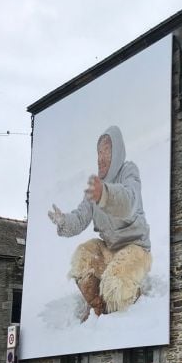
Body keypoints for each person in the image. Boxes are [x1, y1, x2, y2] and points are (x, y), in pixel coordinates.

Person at [48, 125, 152, 321]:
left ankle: (130, 298)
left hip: (136, 248)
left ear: (117, 152)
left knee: (115, 284)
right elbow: (80, 218)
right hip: (109, 250)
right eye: (99, 152)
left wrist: (105, 193)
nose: (100, 158)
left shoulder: (128, 171)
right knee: (82, 257)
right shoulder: (95, 187)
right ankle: (99, 308)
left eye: (106, 151)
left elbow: (129, 201)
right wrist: (63, 221)